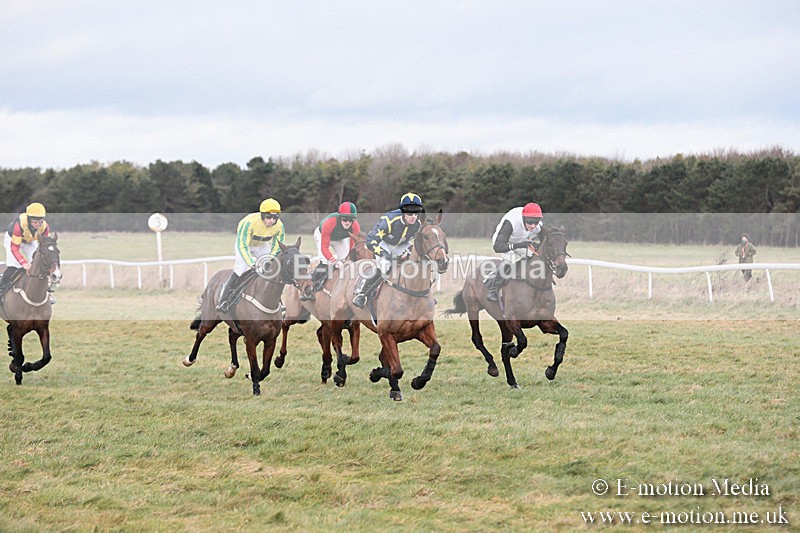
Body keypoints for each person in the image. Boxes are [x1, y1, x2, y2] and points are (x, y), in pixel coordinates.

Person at [352, 193, 424, 308]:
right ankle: (362, 294)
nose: (414, 216)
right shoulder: (389, 220)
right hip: (384, 243)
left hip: (401, 244)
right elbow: (371, 240)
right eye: (410, 212)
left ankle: (421, 294)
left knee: (414, 263)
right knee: (385, 265)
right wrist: (385, 254)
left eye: (417, 212)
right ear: (403, 211)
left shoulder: (417, 225)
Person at [216, 198, 285, 313]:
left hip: (261, 246)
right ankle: (223, 300)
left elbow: (277, 246)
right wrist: (251, 263)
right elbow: (242, 245)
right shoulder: (248, 222)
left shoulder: (280, 227)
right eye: (268, 217)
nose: (272, 221)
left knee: (273, 268)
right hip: (245, 246)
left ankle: (278, 300)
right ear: (262, 215)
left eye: (275, 218)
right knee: (240, 269)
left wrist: (270, 259)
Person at [302, 201, 362, 301]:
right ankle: (310, 287)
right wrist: (334, 260)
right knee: (325, 261)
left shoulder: (355, 227)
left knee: (347, 262)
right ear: (339, 217)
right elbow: (324, 248)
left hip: (339, 239)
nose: (348, 222)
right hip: (322, 235)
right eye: (345, 219)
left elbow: (352, 249)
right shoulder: (329, 223)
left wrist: (346, 260)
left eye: (351, 219)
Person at [485, 202, 544, 302]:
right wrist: (519, 245)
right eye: (530, 222)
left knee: (533, 256)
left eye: (536, 222)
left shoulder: (538, 226)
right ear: (524, 218)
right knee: (510, 260)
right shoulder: (511, 222)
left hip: (521, 241)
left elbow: (544, 244)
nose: (533, 225)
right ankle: (493, 290)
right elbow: (498, 247)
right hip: (503, 241)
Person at [1, 202, 53, 301]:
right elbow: (15, 248)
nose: (38, 224)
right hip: (13, 240)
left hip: (30, 241)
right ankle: (1, 289)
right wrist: (24, 263)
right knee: (13, 266)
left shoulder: (45, 226)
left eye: (40, 221)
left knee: (40, 264)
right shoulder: (19, 225)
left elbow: (45, 246)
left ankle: (46, 291)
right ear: (29, 219)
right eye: (34, 221)